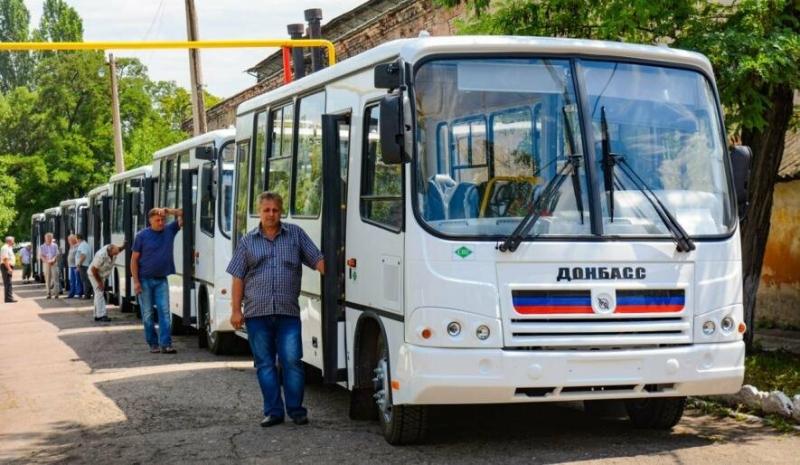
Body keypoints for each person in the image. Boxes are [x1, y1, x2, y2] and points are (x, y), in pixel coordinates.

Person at [227, 191, 324, 428]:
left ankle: (296, 411)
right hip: (256, 314)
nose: (271, 214)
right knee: (265, 364)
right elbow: (238, 277)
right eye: (266, 210)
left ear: (281, 212)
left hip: (287, 313)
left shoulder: (296, 235)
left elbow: (318, 260)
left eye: (275, 210)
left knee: (292, 361)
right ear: (259, 212)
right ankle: (273, 411)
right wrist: (235, 311)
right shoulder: (247, 241)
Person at [131, 207, 182, 354]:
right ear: (150, 221)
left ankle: (165, 344)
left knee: (165, 312)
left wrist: (168, 210)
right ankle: (152, 343)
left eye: (162, 220)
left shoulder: (169, 230)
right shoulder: (141, 236)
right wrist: (136, 282)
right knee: (147, 314)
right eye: (157, 220)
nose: (161, 223)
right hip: (144, 280)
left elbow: (184, 214)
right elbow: (134, 260)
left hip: (162, 280)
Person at [89, 243, 124, 322]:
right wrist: (100, 282)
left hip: (101, 275)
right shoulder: (101, 256)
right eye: (114, 254)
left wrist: (123, 246)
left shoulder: (113, 249)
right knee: (99, 293)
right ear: (110, 251)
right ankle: (102, 315)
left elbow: (119, 249)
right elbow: (93, 270)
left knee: (98, 294)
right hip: (94, 275)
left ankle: (97, 315)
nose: (115, 255)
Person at [39, 233, 60, 299]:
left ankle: (56, 293)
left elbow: (57, 254)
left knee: (55, 278)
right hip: (46, 264)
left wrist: (53, 259)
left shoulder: (55, 245)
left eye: (50, 238)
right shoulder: (42, 246)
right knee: (47, 279)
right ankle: (48, 293)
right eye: (48, 238)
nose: (49, 239)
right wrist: (47, 261)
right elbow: (41, 256)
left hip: (54, 263)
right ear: (45, 239)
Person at [74, 234, 93, 299]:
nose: (75, 240)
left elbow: (83, 255)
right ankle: (87, 294)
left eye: (76, 239)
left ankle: (87, 295)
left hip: (83, 265)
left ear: (78, 239)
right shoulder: (83, 245)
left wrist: (79, 265)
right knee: (85, 280)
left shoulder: (83, 245)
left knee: (85, 280)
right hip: (83, 265)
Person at [1, 236, 16, 303]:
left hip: (7, 266)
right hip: (6, 266)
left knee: (9, 282)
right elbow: (5, 259)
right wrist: (9, 268)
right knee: (8, 283)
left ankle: (9, 298)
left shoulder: (9, 247)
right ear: (9, 241)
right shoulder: (5, 248)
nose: (13, 242)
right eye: (13, 240)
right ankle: (8, 298)